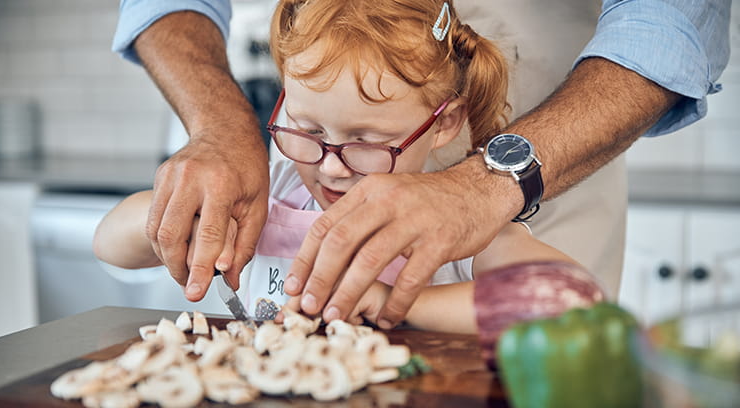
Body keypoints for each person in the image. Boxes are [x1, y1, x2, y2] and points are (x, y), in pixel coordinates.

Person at [112, 0, 731, 329]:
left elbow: (573, 299)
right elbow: (110, 242)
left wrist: (393, 303)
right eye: (306, 128)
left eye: (365, 140)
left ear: (446, 124)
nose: (329, 167)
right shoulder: (275, 189)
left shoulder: (463, 231)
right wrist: (185, 214)